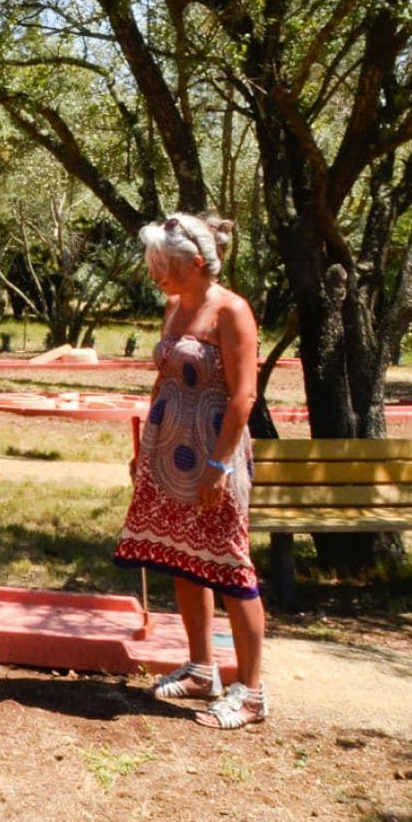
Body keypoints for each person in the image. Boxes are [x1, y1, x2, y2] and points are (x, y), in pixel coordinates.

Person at [114, 212, 267, 729]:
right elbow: (163, 379)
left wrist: (218, 464)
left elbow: (244, 396)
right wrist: (146, 449)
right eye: (153, 263)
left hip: (214, 454)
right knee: (183, 557)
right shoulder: (175, 306)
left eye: (163, 264)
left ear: (197, 263)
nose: (154, 273)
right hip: (169, 451)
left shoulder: (232, 311)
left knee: (230, 565)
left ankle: (251, 693)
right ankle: (202, 669)